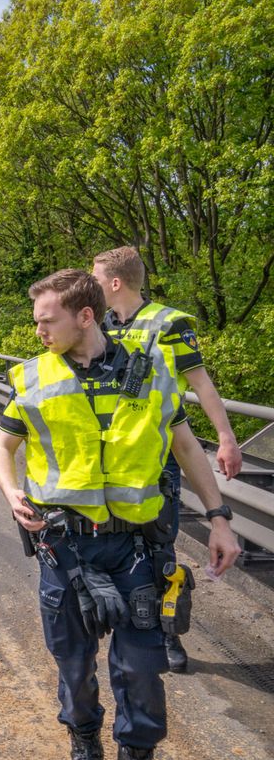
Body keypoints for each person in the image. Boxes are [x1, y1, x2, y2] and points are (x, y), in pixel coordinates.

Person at [0, 269, 240, 760]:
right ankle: (85, 751)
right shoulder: (32, 379)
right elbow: (2, 450)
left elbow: (186, 448)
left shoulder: (151, 373)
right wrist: (11, 492)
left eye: (46, 320)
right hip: (66, 550)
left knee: (142, 670)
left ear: (85, 316)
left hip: (135, 550)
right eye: (36, 321)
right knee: (74, 665)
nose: (38, 332)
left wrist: (219, 518)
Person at [92, 245, 242, 674]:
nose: (93, 284)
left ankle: (168, 635)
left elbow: (202, 385)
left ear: (115, 283)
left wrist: (226, 438)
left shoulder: (169, 323)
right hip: (111, 458)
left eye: (97, 277)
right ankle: (128, 626)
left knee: (160, 548)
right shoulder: (99, 324)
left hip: (160, 455)